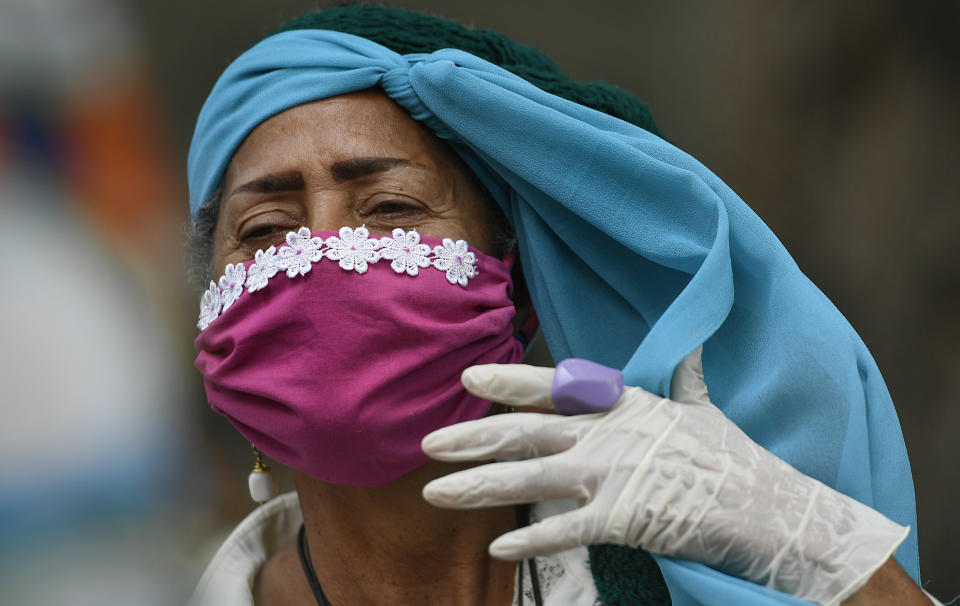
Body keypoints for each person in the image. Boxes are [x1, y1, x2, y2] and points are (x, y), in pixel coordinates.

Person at [185, 5, 937, 605]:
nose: (323, 256)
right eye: (266, 229)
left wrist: (809, 549)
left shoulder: (677, 567)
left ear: (514, 290)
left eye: (389, 207)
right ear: (212, 309)